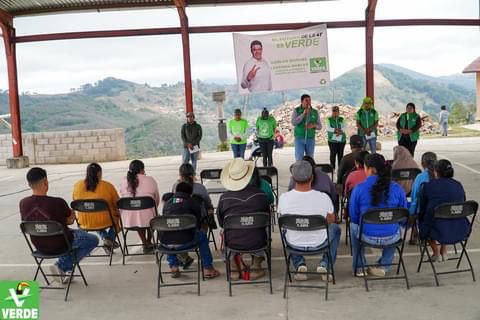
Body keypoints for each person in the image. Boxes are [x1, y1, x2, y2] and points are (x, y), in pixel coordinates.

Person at [20, 167, 98, 283]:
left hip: (39, 245)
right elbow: (70, 220)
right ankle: (62, 265)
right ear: (46, 182)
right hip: (60, 243)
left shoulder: (23, 203)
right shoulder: (57, 202)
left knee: (64, 231)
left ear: (29, 184)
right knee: (92, 239)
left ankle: (63, 269)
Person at [278, 160, 341, 281]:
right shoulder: (323, 198)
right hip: (319, 242)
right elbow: (331, 220)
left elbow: (283, 220)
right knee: (335, 229)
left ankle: (299, 265)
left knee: (285, 229)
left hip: (294, 243)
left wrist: (302, 224)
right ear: (312, 177)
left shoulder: (284, 198)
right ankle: (325, 265)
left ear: (293, 178)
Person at [349, 153, 408, 277]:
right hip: (392, 237)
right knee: (395, 225)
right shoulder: (397, 188)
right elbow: (404, 215)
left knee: (353, 226)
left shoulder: (359, 188)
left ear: (370, 169)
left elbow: (354, 217)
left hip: (366, 236)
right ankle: (384, 265)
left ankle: (360, 267)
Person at [217, 158, 270, 280]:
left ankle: (234, 268)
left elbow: (221, 222)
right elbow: (266, 218)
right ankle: (256, 265)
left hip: (233, 241)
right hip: (258, 241)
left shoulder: (224, 198)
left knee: (226, 230)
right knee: (262, 227)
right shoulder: (260, 195)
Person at [162, 182, 221, 279]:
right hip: (186, 241)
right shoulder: (192, 202)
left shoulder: (167, 203)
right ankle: (207, 268)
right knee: (202, 236)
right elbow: (197, 223)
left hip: (166, 244)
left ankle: (174, 267)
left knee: (169, 234)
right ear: (190, 193)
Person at [419, 159, 467, 262]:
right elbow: (463, 203)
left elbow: (422, 208)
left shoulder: (429, 186)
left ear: (436, 172)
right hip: (459, 227)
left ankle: (436, 253)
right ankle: (444, 251)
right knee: (445, 215)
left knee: (427, 219)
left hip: (437, 229)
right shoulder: (458, 185)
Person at [72, 163, 121, 254]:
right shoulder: (107, 186)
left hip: (84, 221)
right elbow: (117, 204)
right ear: (99, 173)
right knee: (117, 217)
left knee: (93, 215)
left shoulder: (77, 185)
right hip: (105, 220)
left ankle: (106, 238)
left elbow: (75, 201)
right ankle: (108, 240)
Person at [119, 160, 159, 253]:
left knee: (137, 216)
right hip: (149, 218)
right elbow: (156, 200)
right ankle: (148, 242)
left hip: (129, 220)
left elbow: (122, 196)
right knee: (151, 214)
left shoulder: (124, 180)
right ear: (142, 170)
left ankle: (145, 243)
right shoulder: (150, 179)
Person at [408, 152, 437, 245]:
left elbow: (414, 197)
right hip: (442, 213)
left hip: (424, 213)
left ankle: (415, 234)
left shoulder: (420, 177)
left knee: (410, 210)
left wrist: (411, 212)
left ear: (422, 163)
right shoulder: (441, 176)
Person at [291, 94, 322, 161]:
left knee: (310, 159)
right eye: (306, 100)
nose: (309, 102)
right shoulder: (296, 110)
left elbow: (320, 126)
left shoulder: (315, 112)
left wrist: (314, 125)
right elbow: (293, 122)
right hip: (299, 138)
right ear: (302, 101)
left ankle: (309, 171)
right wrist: (303, 114)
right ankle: (299, 171)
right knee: (299, 158)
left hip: (310, 139)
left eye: (310, 100)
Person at [326, 105, 346, 170]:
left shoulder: (342, 119)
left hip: (341, 141)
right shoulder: (328, 119)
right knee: (333, 155)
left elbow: (344, 127)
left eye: (336, 111)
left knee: (341, 156)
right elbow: (328, 128)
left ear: (338, 112)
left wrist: (340, 131)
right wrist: (335, 130)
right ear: (332, 111)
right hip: (332, 141)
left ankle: (340, 170)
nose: (335, 112)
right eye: (334, 111)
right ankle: (332, 169)